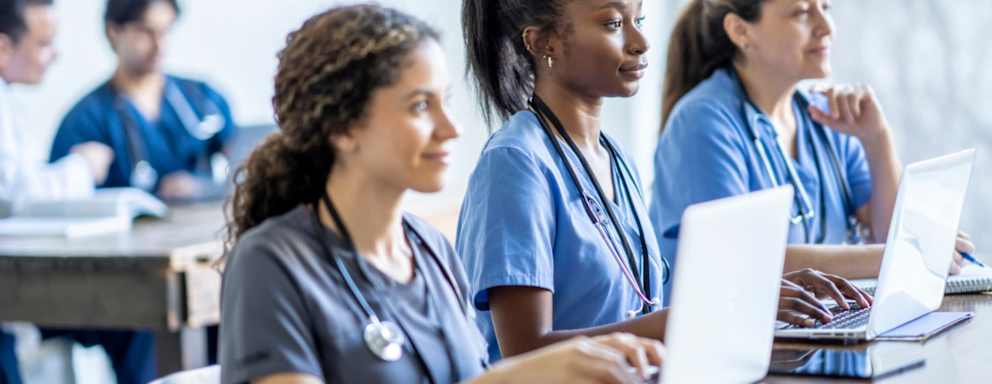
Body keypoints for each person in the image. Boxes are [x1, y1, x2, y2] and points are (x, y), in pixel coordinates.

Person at [219, 5, 665, 384]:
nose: (451, 129)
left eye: (444, 102)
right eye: (418, 106)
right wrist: (543, 369)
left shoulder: (429, 252)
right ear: (343, 127)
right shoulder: (271, 263)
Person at [456, 0, 872, 362]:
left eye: (640, 19)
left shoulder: (616, 159)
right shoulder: (516, 164)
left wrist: (757, 294)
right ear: (542, 42)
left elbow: (643, 313)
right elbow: (526, 353)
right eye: (613, 24)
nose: (640, 42)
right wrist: (696, 317)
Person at [650, 0, 975, 300]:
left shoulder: (825, 118)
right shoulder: (703, 122)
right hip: (735, 348)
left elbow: (887, 232)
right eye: (802, 13)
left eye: (825, 7)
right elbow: (743, 259)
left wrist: (877, 139)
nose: (827, 27)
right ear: (741, 30)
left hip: (818, 337)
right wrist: (902, 254)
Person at [0, 2, 154, 384]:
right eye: (44, 44)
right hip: (18, 289)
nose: (55, 56)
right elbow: (13, 197)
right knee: (137, 317)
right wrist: (82, 168)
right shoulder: (87, 114)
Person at [49, 0, 235, 201]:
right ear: (113, 32)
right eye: (145, 32)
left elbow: (244, 168)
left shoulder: (204, 99)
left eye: (165, 31)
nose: (159, 45)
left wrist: (203, 187)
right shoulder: (84, 121)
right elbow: (59, 204)